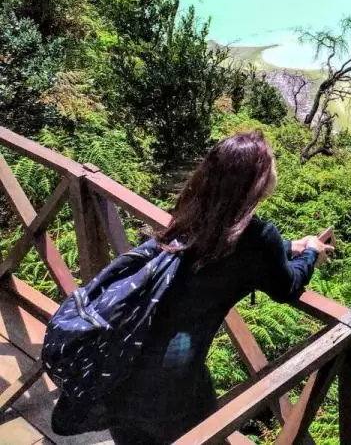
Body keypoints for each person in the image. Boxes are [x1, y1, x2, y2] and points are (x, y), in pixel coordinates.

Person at [105, 130, 334, 444]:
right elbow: (287, 286)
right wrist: (311, 254)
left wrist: (291, 246)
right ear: (258, 181)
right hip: (174, 380)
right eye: (272, 165)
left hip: (126, 356)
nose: (277, 171)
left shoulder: (192, 209)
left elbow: (237, 246)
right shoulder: (257, 237)